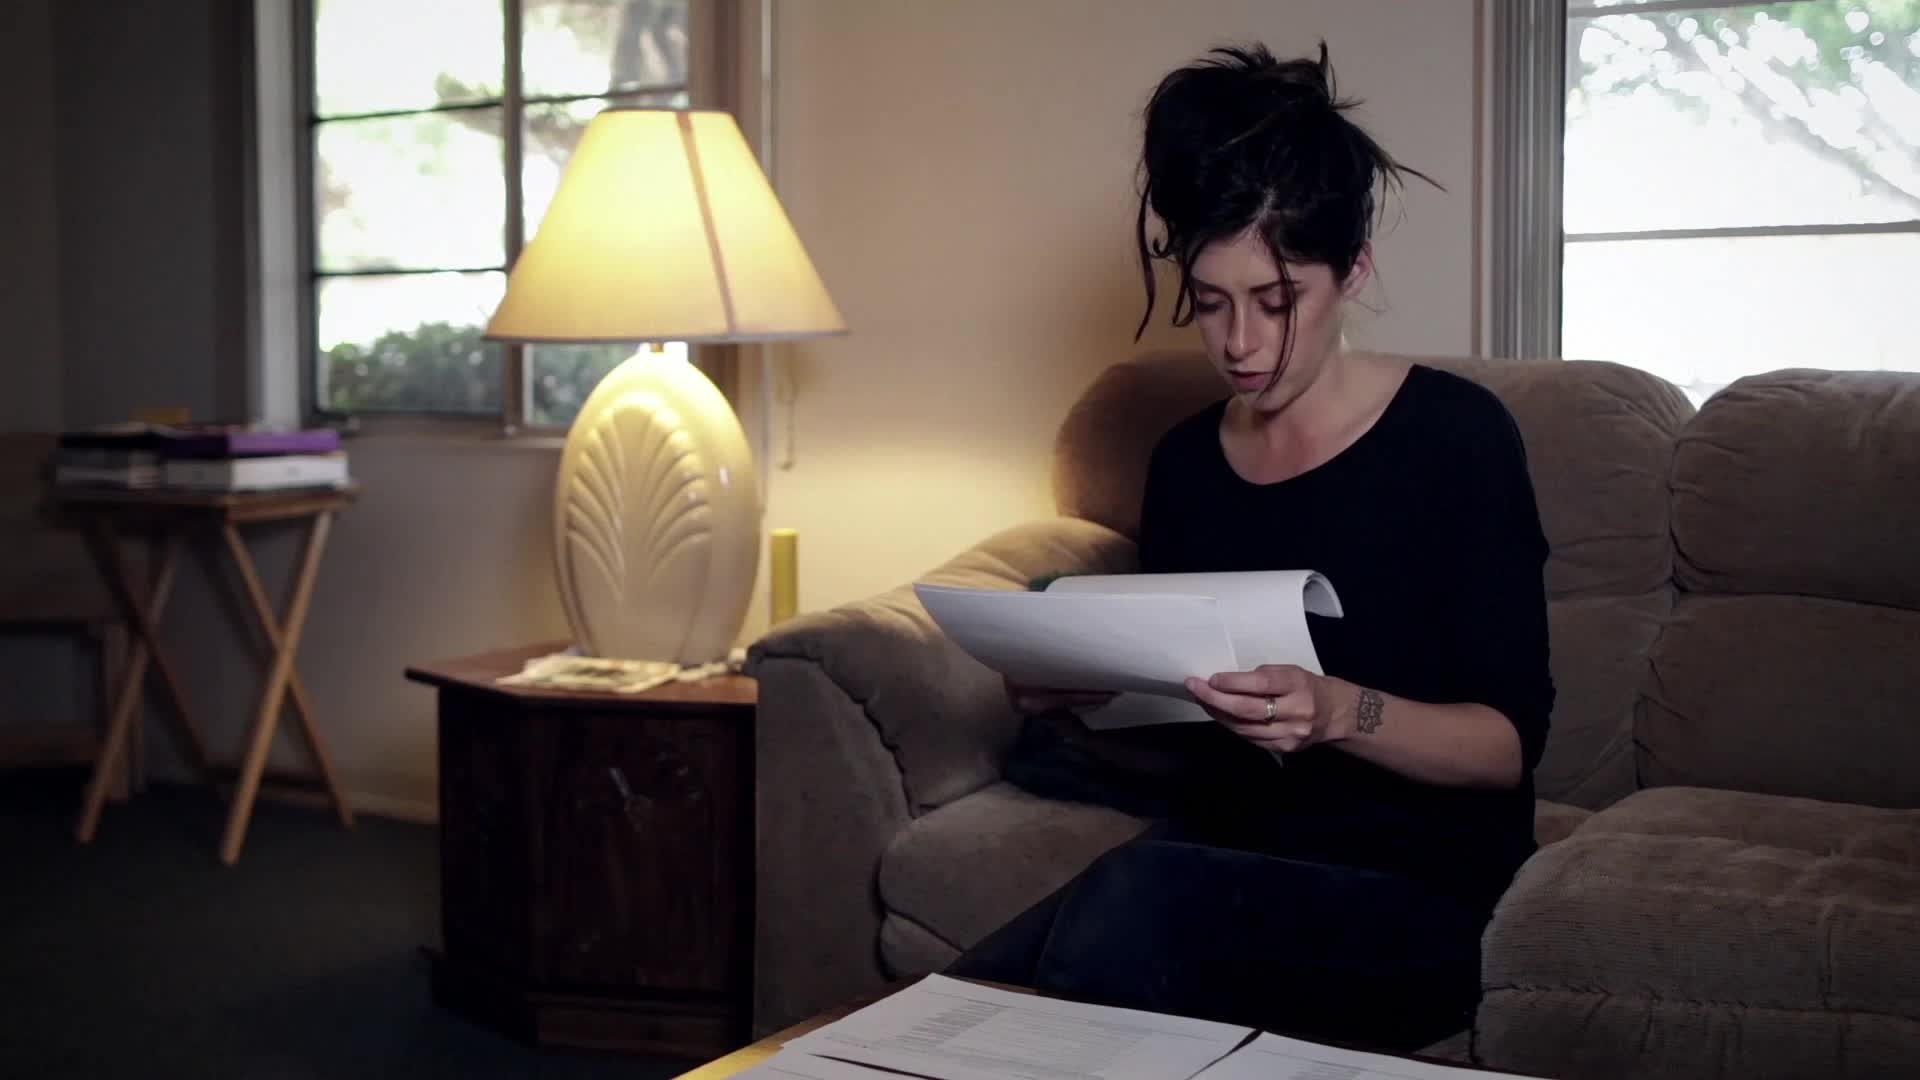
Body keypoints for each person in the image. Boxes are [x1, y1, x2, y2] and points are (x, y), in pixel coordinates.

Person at [945, 42, 1555, 1054]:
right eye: (1211, 300)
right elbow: (1197, 735)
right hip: (1224, 861)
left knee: (1129, 902)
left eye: (1277, 302)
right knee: (955, 1004)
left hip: (1420, 893)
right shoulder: (1186, 462)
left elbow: (1504, 749)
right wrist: (1085, 695)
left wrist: (1337, 711)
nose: (1239, 343)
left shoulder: (1458, 438)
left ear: (1353, 269)